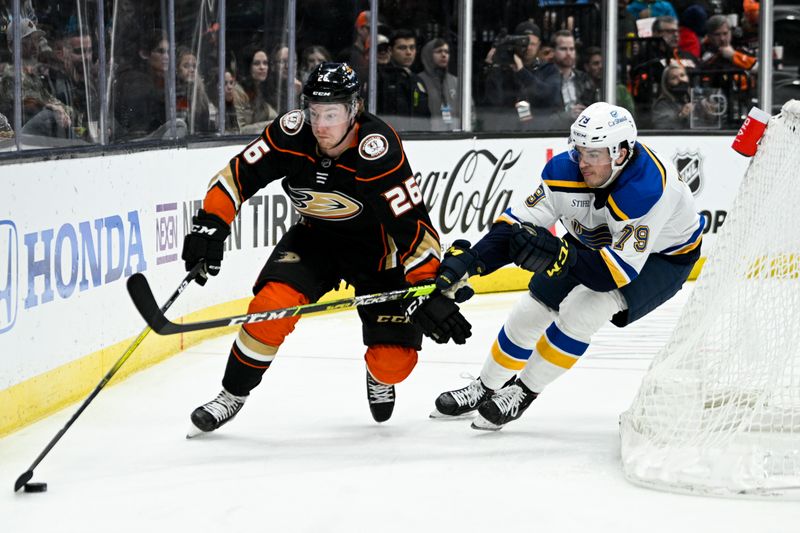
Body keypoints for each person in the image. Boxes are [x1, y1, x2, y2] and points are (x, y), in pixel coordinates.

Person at [182, 62, 471, 436]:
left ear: (355, 109)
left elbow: (413, 227)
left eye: (331, 113)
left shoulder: (377, 149)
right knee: (270, 308)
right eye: (314, 111)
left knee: (392, 364)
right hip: (314, 238)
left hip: (378, 253)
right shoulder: (291, 132)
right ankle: (231, 395)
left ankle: (377, 373)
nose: (319, 124)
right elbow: (235, 176)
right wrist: (211, 223)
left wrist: (426, 288)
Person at [431, 102, 703, 430]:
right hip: (593, 245)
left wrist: (561, 255)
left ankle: (523, 391)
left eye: (594, 154)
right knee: (529, 311)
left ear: (620, 153)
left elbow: (613, 274)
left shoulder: (648, 190)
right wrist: (472, 262)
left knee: (582, 311)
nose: (583, 162)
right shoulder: (564, 170)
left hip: (660, 259)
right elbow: (516, 227)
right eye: (579, 150)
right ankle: (485, 386)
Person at [521, 30, 597, 130]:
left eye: (572, 49)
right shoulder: (541, 80)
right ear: (553, 52)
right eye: (563, 49)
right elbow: (534, 118)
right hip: (551, 136)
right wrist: (566, 116)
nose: (569, 53)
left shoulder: (583, 79)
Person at [418, 38, 461, 131]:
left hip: (456, 135)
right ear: (428, 55)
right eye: (439, 51)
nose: (444, 55)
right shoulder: (419, 81)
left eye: (446, 52)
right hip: (428, 136)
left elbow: (470, 111)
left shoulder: (455, 81)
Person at [238, 45, 277, 134]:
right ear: (248, 67)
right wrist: (269, 125)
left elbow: (275, 117)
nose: (262, 67)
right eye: (256, 63)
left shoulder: (261, 90)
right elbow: (239, 130)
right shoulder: (238, 91)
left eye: (265, 63)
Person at [651, 63, 693, 129]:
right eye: (674, 78)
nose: (680, 79)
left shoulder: (695, 98)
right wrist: (681, 116)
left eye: (682, 75)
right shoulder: (662, 104)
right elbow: (661, 128)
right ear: (667, 84)